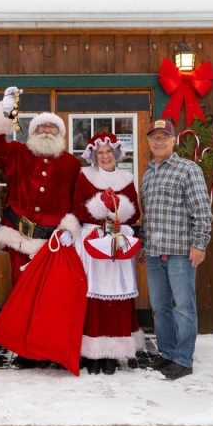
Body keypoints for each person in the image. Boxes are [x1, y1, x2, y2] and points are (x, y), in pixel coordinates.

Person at [0, 86, 82, 368]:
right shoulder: (16, 153)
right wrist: (4, 113)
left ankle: (47, 350)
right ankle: (26, 351)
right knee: (21, 297)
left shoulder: (72, 164)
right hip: (19, 240)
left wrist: (69, 228)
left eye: (53, 127)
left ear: (60, 134)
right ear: (33, 132)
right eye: (42, 127)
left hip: (53, 245)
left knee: (51, 301)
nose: (47, 130)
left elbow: (78, 202)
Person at [138, 119, 212, 380]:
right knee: (160, 307)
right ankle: (167, 354)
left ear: (173, 141)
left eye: (163, 137)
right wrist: (144, 245)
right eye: (154, 137)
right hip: (155, 254)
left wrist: (199, 244)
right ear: (148, 141)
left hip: (181, 251)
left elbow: (202, 211)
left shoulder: (187, 169)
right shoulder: (148, 175)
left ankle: (183, 359)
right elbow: (148, 215)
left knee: (183, 306)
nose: (158, 142)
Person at [73, 133, 143, 375]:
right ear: (93, 155)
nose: (104, 156)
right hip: (92, 239)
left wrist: (118, 210)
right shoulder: (85, 176)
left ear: (116, 154)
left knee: (118, 294)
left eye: (108, 152)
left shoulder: (126, 179)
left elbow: (134, 213)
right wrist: (100, 207)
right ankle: (93, 352)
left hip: (117, 239)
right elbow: (77, 207)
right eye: (99, 152)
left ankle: (113, 352)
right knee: (93, 293)